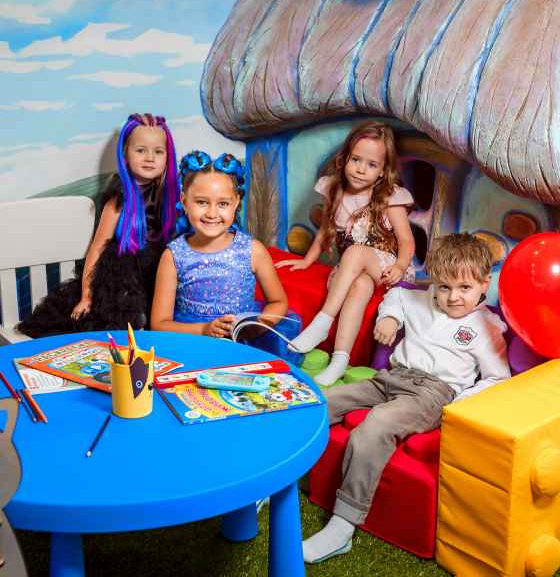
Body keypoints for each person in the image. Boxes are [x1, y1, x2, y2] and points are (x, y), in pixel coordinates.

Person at [302, 232, 511, 564]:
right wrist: (389, 318)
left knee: (375, 426)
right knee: (322, 402)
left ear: (484, 284)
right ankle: (275, 478)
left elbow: (498, 377)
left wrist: (461, 401)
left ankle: (342, 527)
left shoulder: (487, 326)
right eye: (444, 287)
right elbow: (397, 296)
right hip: (390, 378)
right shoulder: (422, 299)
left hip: (433, 393)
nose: (453, 297)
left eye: (464, 288)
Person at [276, 120, 415, 386]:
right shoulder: (335, 189)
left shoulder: (390, 197)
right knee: (359, 287)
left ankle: (322, 321)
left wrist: (400, 266)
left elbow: (407, 241)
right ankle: (340, 360)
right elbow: (324, 230)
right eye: (356, 160)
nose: (361, 169)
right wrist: (307, 260)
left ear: (383, 171)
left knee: (355, 252)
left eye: (371, 164)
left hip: (387, 268)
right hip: (355, 270)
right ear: (345, 159)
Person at [17, 113, 180, 337]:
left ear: (167, 157)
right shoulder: (119, 201)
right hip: (121, 285)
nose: (150, 158)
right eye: (141, 150)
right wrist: (86, 295)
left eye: (158, 151)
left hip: (156, 280)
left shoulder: (169, 199)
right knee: (112, 327)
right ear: (125, 154)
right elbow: (96, 248)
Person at [150, 150, 295, 356]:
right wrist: (203, 330)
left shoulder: (252, 250)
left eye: (223, 204)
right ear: (184, 201)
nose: (212, 213)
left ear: (236, 203)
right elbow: (159, 323)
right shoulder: (173, 256)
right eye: (202, 202)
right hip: (192, 340)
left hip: (244, 342)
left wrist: (258, 326)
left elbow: (278, 302)